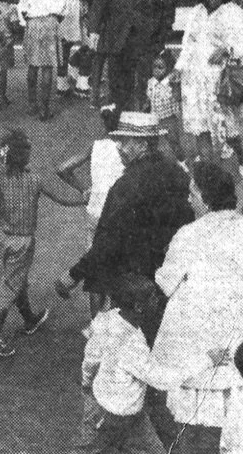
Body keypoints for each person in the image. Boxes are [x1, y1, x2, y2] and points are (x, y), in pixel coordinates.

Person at [0, 131, 85, 357]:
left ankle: (29, 319)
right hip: (23, 243)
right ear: (24, 156)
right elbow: (63, 199)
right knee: (9, 287)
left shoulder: (1, 178)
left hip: (5, 240)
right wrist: (86, 198)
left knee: (16, 279)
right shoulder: (35, 181)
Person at [152, 161, 243, 454]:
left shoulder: (189, 234)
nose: (189, 198)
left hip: (199, 328)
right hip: (236, 326)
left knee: (193, 410)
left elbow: (166, 282)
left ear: (206, 197)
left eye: (193, 192)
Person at [74, 273, 219, 454]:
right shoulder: (131, 345)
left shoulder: (108, 318)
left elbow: (91, 355)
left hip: (124, 412)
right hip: (111, 415)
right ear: (139, 307)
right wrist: (207, 360)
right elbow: (161, 379)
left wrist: (87, 382)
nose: (157, 300)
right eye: (152, 297)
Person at [56, 112, 193, 304]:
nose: (118, 146)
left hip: (137, 280)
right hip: (173, 275)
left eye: (124, 141)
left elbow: (107, 242)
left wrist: (73, 275)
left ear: (143, 146)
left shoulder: (126, 186)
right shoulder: (177, 173)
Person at [57, 104, 125, 317]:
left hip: (95, 210)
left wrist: (84, 190)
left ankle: (95, 324)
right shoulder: (126, 149)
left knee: (95, 265)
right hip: (116, 213)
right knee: (117, 266)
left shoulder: (95, 145)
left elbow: (63, 168)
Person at [174, 0, 243, 162]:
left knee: (228, 129)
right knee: (200, 127)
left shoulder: (233, 12)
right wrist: (178, 69)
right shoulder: (196, 12)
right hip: (195, 77)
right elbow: (188, 43)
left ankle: (242, 161)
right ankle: (208, 170)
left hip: (220, 79)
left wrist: (227, 49)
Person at [18, 0, 68, 120]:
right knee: (47, 67)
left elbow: (23, 8)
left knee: (32, 66)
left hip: (33, 22)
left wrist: (30, 19)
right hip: (51, 22)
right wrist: (53, 19)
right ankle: (44, 109)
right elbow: (63, 10)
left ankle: (32, 104)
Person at [146, 49, 183, 162]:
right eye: (154, 67)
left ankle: (182, 161)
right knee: (151, 141)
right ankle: (153, 160)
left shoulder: (170, 83)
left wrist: (175, 87)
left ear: (169, 69)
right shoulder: (151, 82)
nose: (156, 71)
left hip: (168, 118)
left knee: (173, 141)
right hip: (154, 118)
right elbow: (149, 96)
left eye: (160, 68)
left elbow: (177, 98)